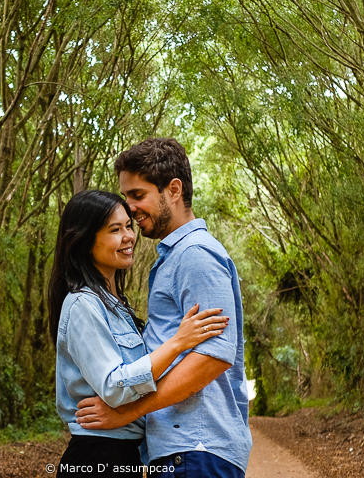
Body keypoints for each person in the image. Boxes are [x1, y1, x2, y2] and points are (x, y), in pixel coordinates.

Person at [75, 138, 251, 478]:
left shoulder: (195, 254)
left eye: (137, 195)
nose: (128, 208)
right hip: (183, 452)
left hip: (195, 450)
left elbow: (212, 358)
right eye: (126, 197)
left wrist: (126, 412)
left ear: (174, 189)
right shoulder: (176, 257)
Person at [48, 189, 230, 473]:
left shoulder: (117, 307)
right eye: (114, 230)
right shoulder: (82, 303)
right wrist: (178, 343)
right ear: (84, 241)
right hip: (96, 456)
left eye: (128, 227)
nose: (128, 236)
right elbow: (114, 387)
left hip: (124, 455)